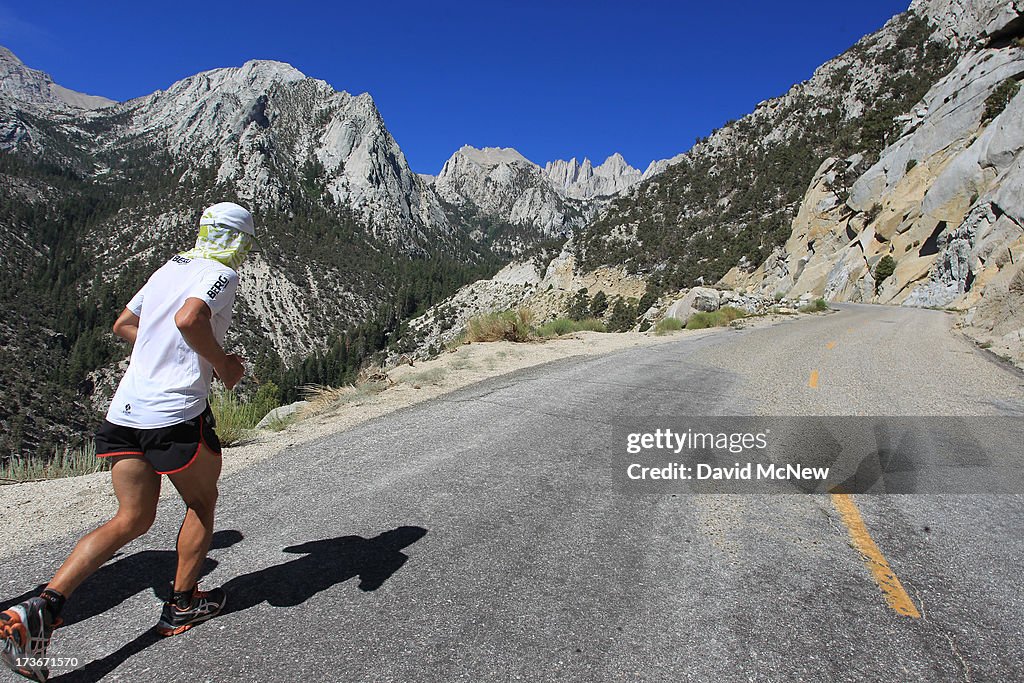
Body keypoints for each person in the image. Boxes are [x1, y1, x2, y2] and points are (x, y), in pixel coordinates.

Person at [1, 202, 256, 682]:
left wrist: (165, 350)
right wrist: (223, 365)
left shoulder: (169, 266)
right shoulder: (219, 274)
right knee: (201, 503)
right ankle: (182, 604)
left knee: (131, 518)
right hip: (174, 415)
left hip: (125, 413)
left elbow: (124, 325)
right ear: (241, 241)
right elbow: (189, 319)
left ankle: (42, 607)